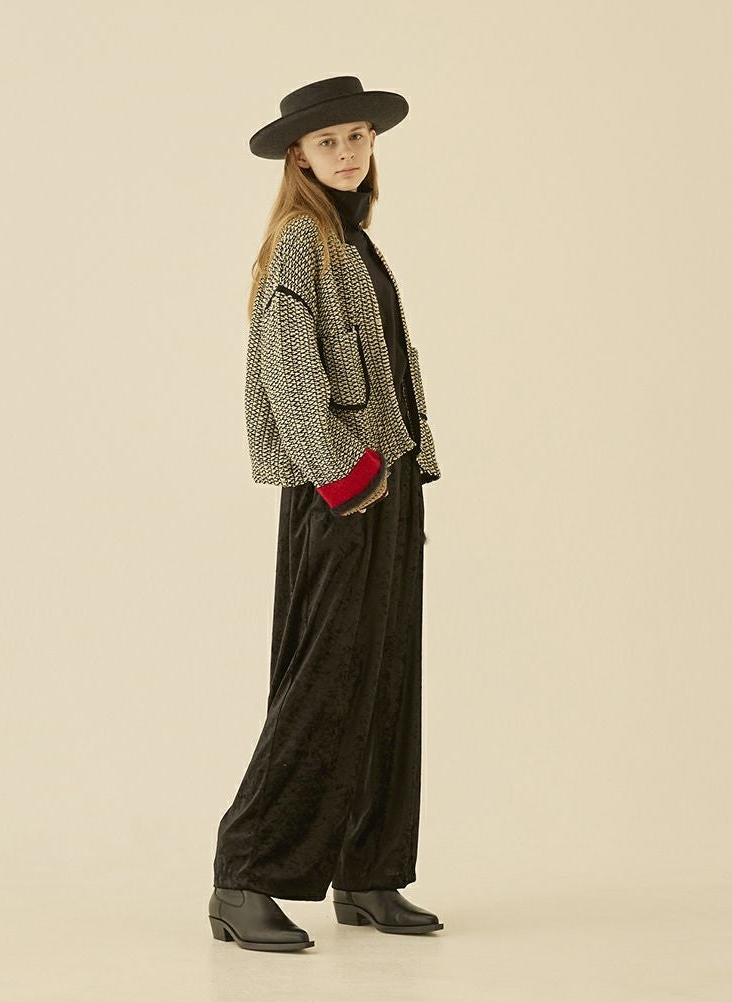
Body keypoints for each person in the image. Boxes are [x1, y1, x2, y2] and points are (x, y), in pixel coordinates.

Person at [208, 76, 445, 952]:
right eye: (328, 141)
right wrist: (347, 475)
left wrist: (399, 470)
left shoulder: (355, 241)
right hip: (344, 489)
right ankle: (244, 877)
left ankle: (368, 871)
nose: (347, 152)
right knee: (325, 680)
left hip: (391, 483)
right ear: (299, 157)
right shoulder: (301, 242)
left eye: (358, 136)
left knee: (386, 677)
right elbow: (286, 368)